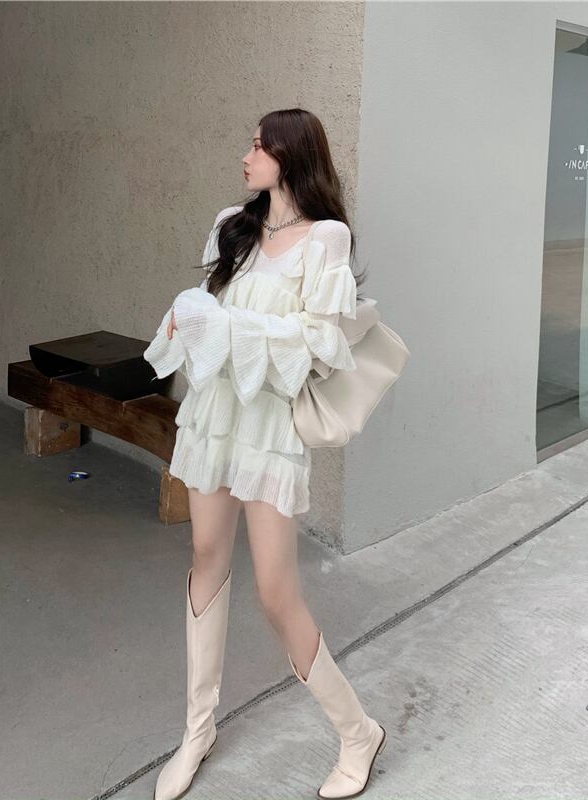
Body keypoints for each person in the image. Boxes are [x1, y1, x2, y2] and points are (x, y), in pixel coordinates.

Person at [143, 109, 386, 800]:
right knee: (206, 558)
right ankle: (198, 731)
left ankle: (358, 732)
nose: (246, 155)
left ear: (291, 156)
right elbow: (205, 318)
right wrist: (191, 317)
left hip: (269, 427)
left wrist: (223, 324)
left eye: (259, 145)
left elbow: (316, 342)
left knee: (277, 591)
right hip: (216, 416)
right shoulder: (233, 225)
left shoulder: (327, 238)